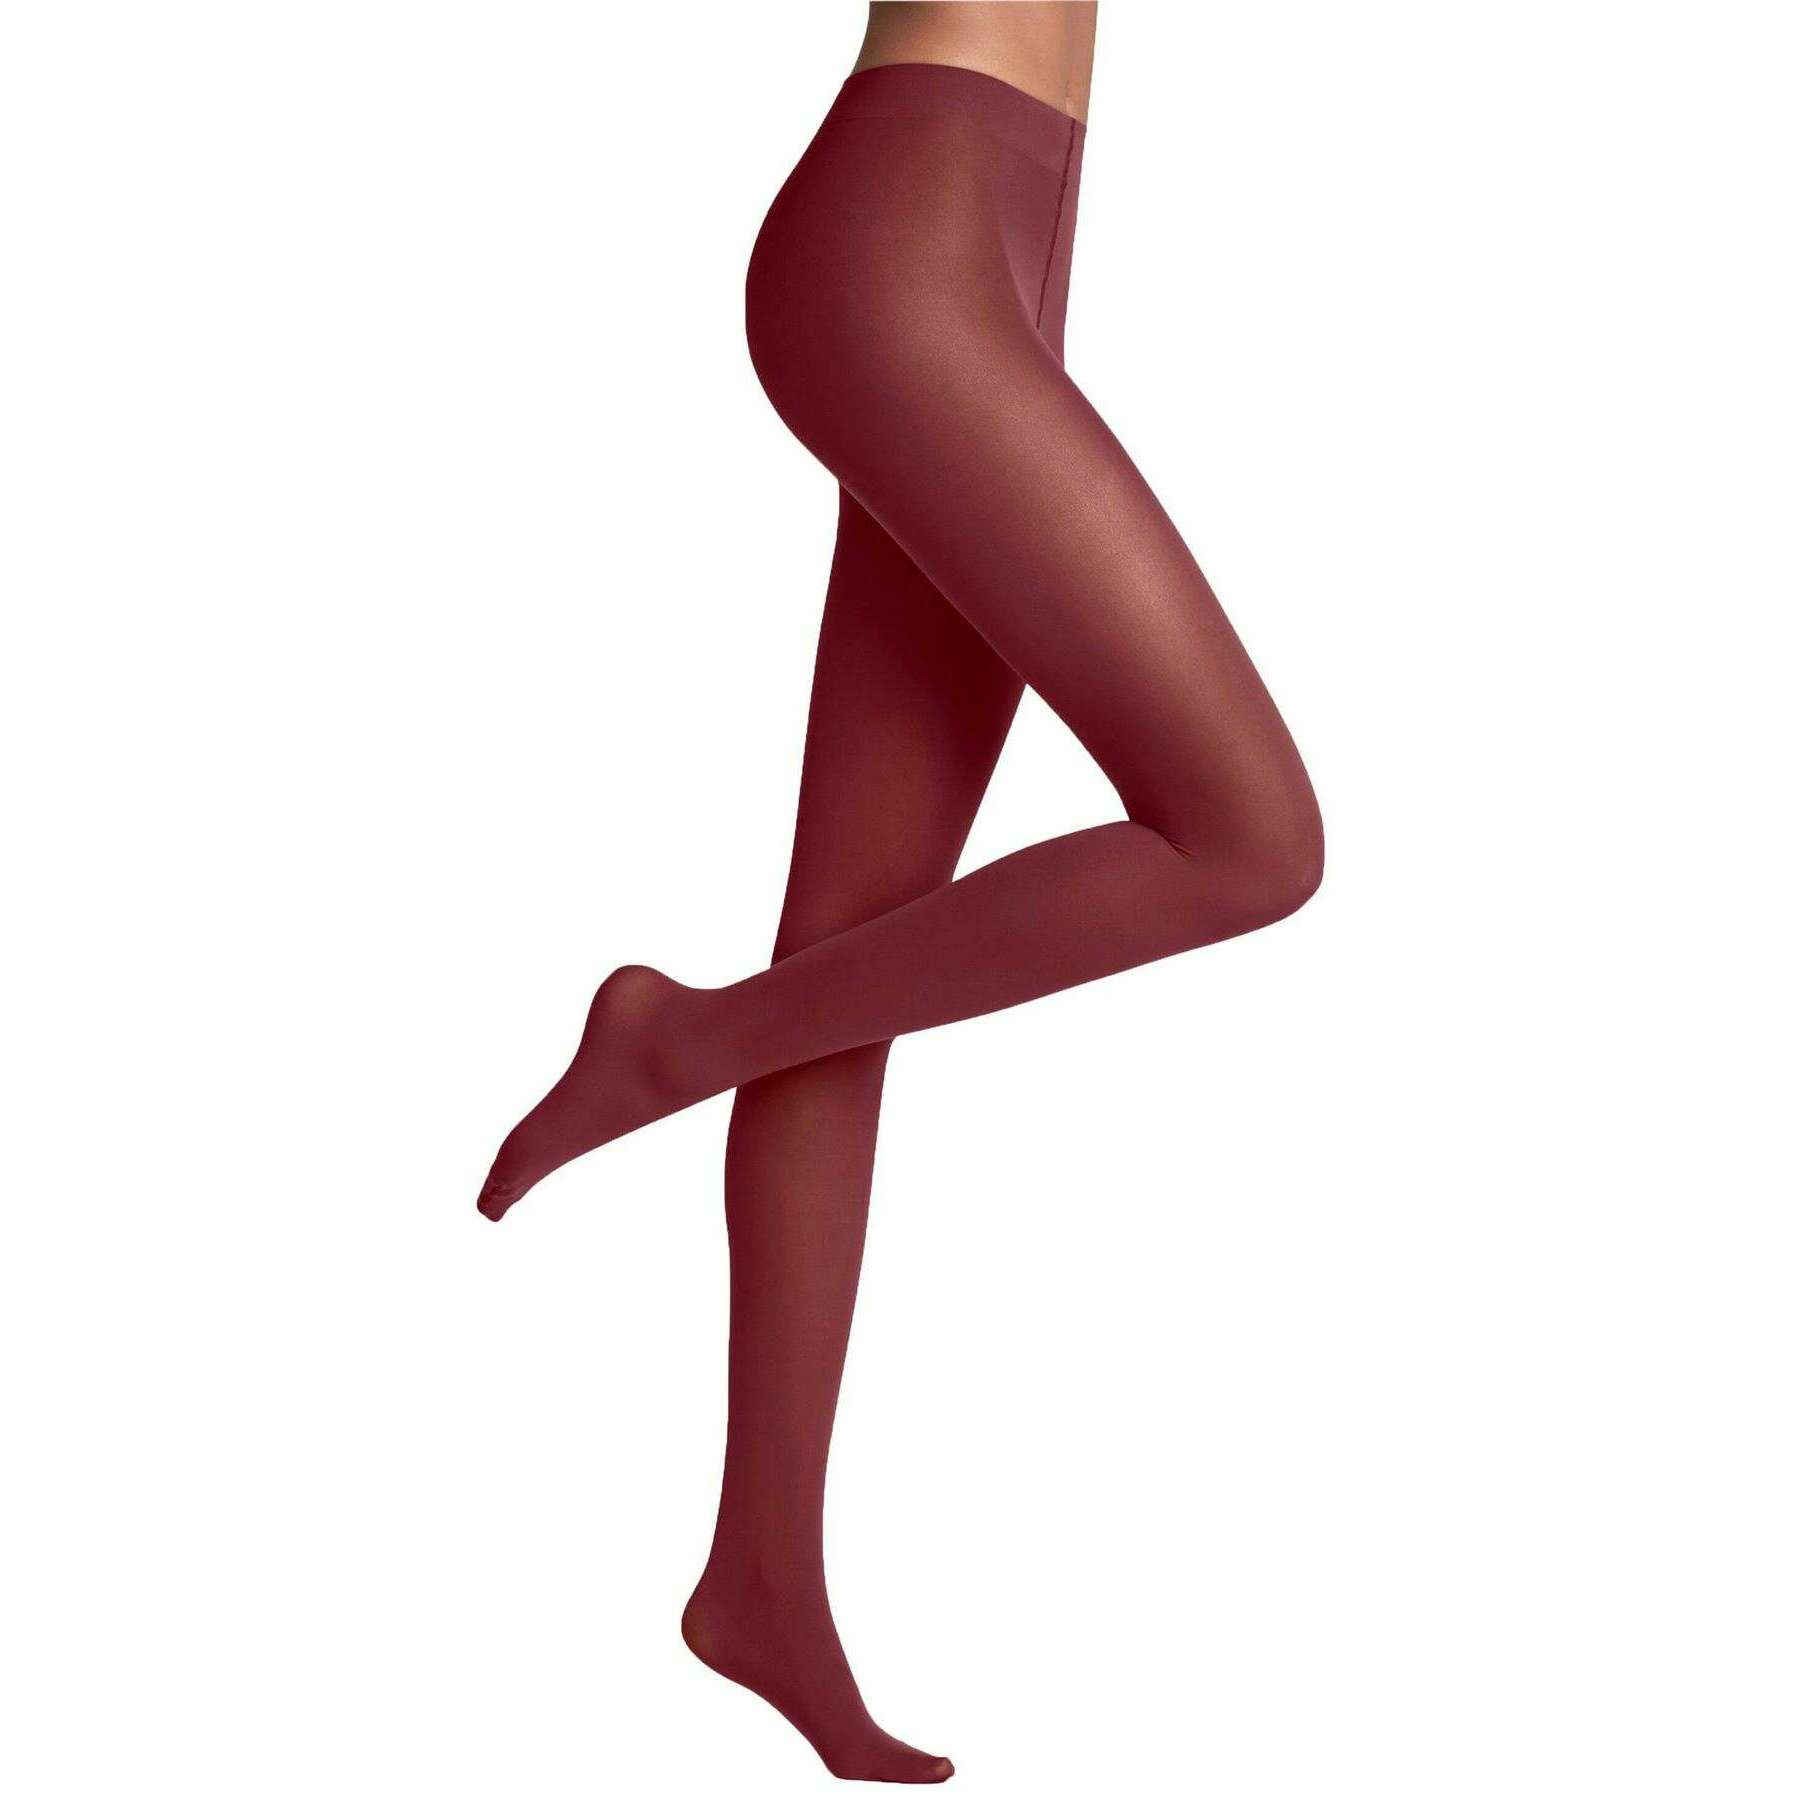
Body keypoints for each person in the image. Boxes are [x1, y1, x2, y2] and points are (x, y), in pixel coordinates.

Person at [476, 4, 1322, 1782]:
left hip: (1008, 233)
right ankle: (676, 1038)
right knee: (1249, 837)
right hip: (907, 245)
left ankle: (759, 1580)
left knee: (856, 962)